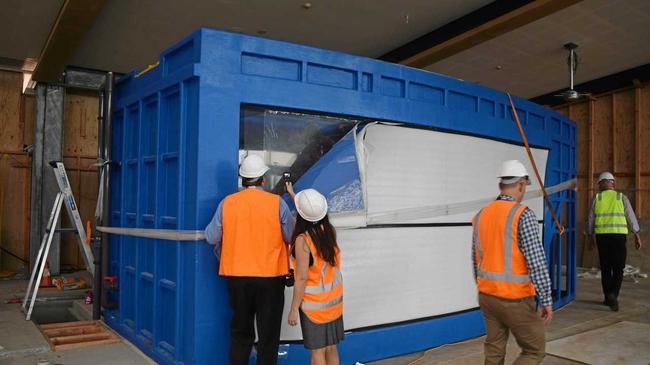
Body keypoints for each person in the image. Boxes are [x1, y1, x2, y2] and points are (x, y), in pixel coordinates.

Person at [204, 154, 295, 365]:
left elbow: (211, 237)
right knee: (268, 335)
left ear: (243, 179)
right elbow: (291, 236)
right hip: (271, 279)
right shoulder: (277, 203)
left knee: (241, 333)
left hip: (237, 278)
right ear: (263, 179)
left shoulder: (227, 203)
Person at [472, 160, 553, 365]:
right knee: (534, 351)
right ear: (521, 184)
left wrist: (485, 288)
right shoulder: (522, 215)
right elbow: (536, 262)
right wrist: (546, 300)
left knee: (494, 350)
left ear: (501, 185)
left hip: (488, 297)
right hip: (516, 299)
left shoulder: (481, 215)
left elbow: (476, 259)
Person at [286, 183, 344, 365]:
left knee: (317, 352)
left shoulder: (303, 241)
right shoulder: (330, 231)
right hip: (334, 301)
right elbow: (311, 213)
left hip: (314, 307)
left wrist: (294, 309)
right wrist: (295, 196)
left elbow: (302, 278)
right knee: (331, 347)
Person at [585, 171, 642, 311]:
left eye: (599, 183)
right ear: (612, 183)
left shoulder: (597, 198)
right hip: (618, 237)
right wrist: (636, 234)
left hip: (602, 237)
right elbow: (630, 216)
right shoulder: (620, 197)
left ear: (601, 184)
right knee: (618, 268)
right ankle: (613, 296)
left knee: (606, 268)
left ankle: (608, 298)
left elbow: (590, 220)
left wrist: (590, 236)